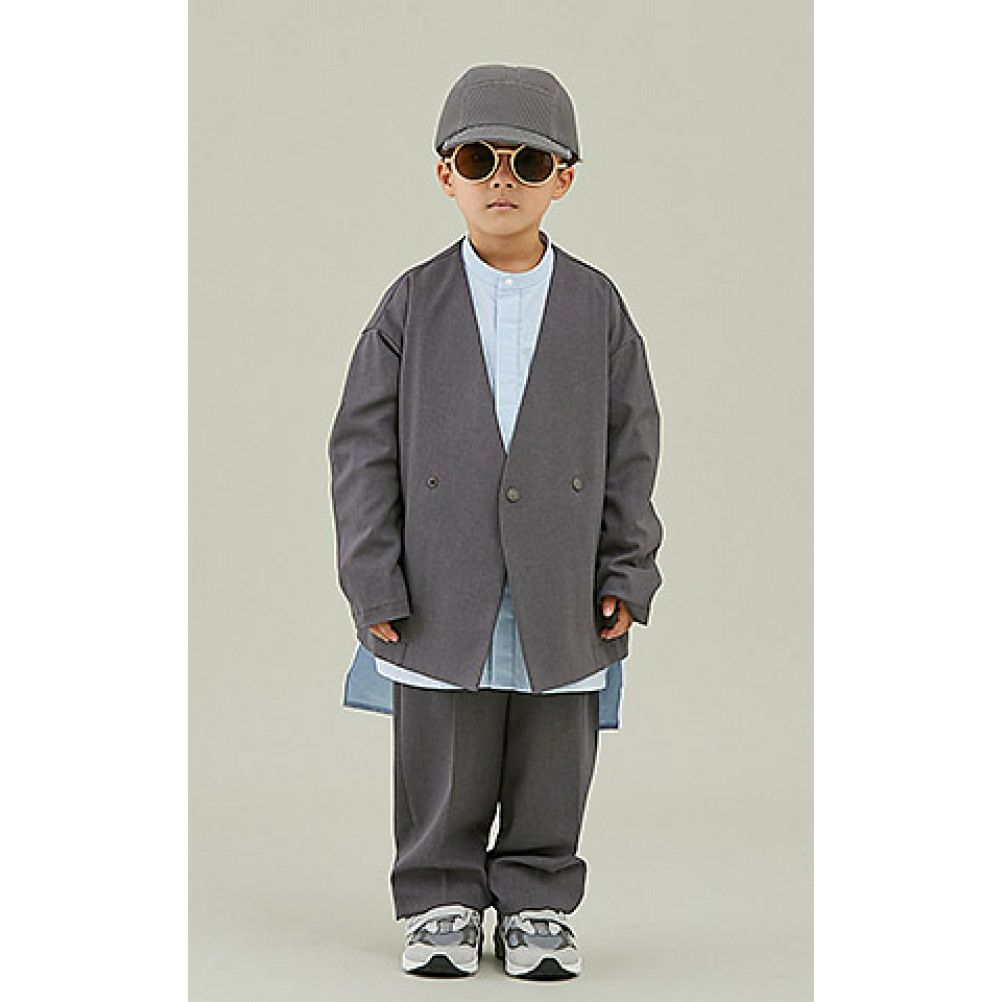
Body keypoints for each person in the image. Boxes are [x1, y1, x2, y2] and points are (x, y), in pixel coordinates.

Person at [327, 64, 664, 980]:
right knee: (440, 742)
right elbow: (361, 448)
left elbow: (633, 445)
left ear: (564, 178)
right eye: (480, 159)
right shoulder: (412, 302)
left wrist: (628, 569)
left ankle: (538, 899)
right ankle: (438, 894)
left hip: (563, 572)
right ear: (447, 175)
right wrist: (373, 576)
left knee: (556, 749)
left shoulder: (596, 305)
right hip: (441, 575)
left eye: (529, 161)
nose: (502, 179)